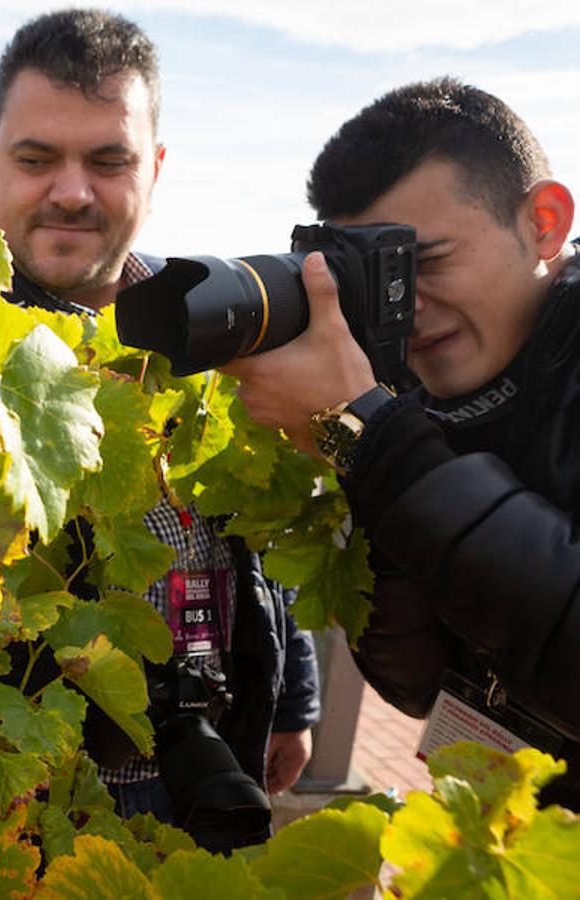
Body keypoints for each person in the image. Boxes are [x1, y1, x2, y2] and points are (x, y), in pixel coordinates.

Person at [0, 9, 320, 844]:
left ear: (154, 169)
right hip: (19, 803)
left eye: (109, 160)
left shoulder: (216, 322)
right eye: (37, 158)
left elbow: (258, 529)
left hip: (211, 773)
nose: (74, 191)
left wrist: (293, 696)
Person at [222, 77, 580, 809]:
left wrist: (373, 443)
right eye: (380, 276)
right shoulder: (422, 401)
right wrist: (372, 446)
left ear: (544, 222)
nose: (406, 309)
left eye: (429, 260)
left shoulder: (393, 425)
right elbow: (415, 683)